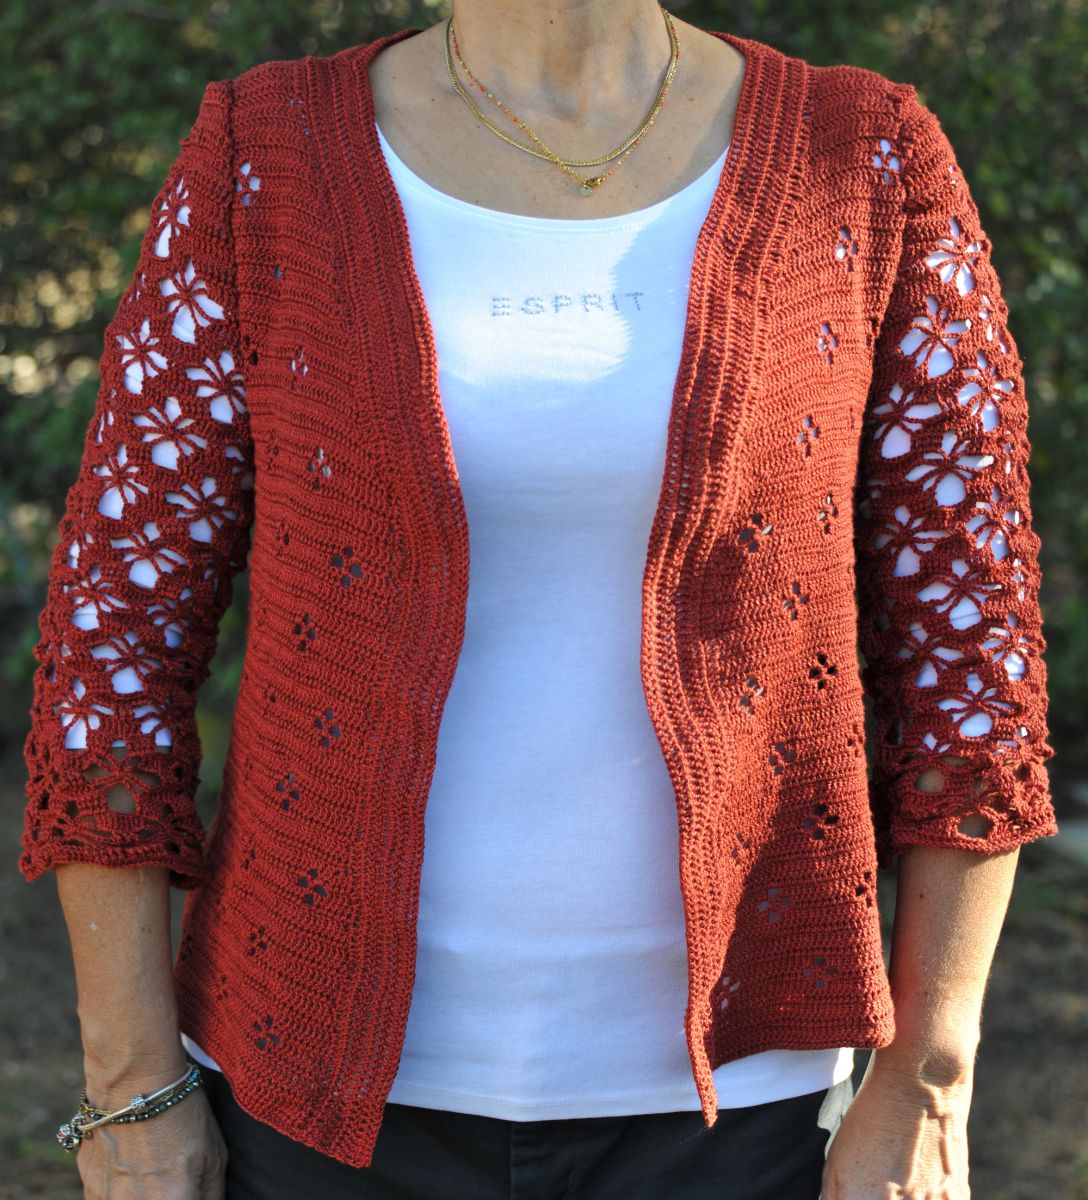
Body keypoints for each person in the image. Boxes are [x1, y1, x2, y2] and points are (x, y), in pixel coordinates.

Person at [19, 2, 1059, 1198]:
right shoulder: (263, 154)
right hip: (314, 1101)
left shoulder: (862, 156)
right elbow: (113, 643)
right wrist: (132, 1090)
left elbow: (971, 658)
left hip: (744, 1117)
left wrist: (926, 1079)